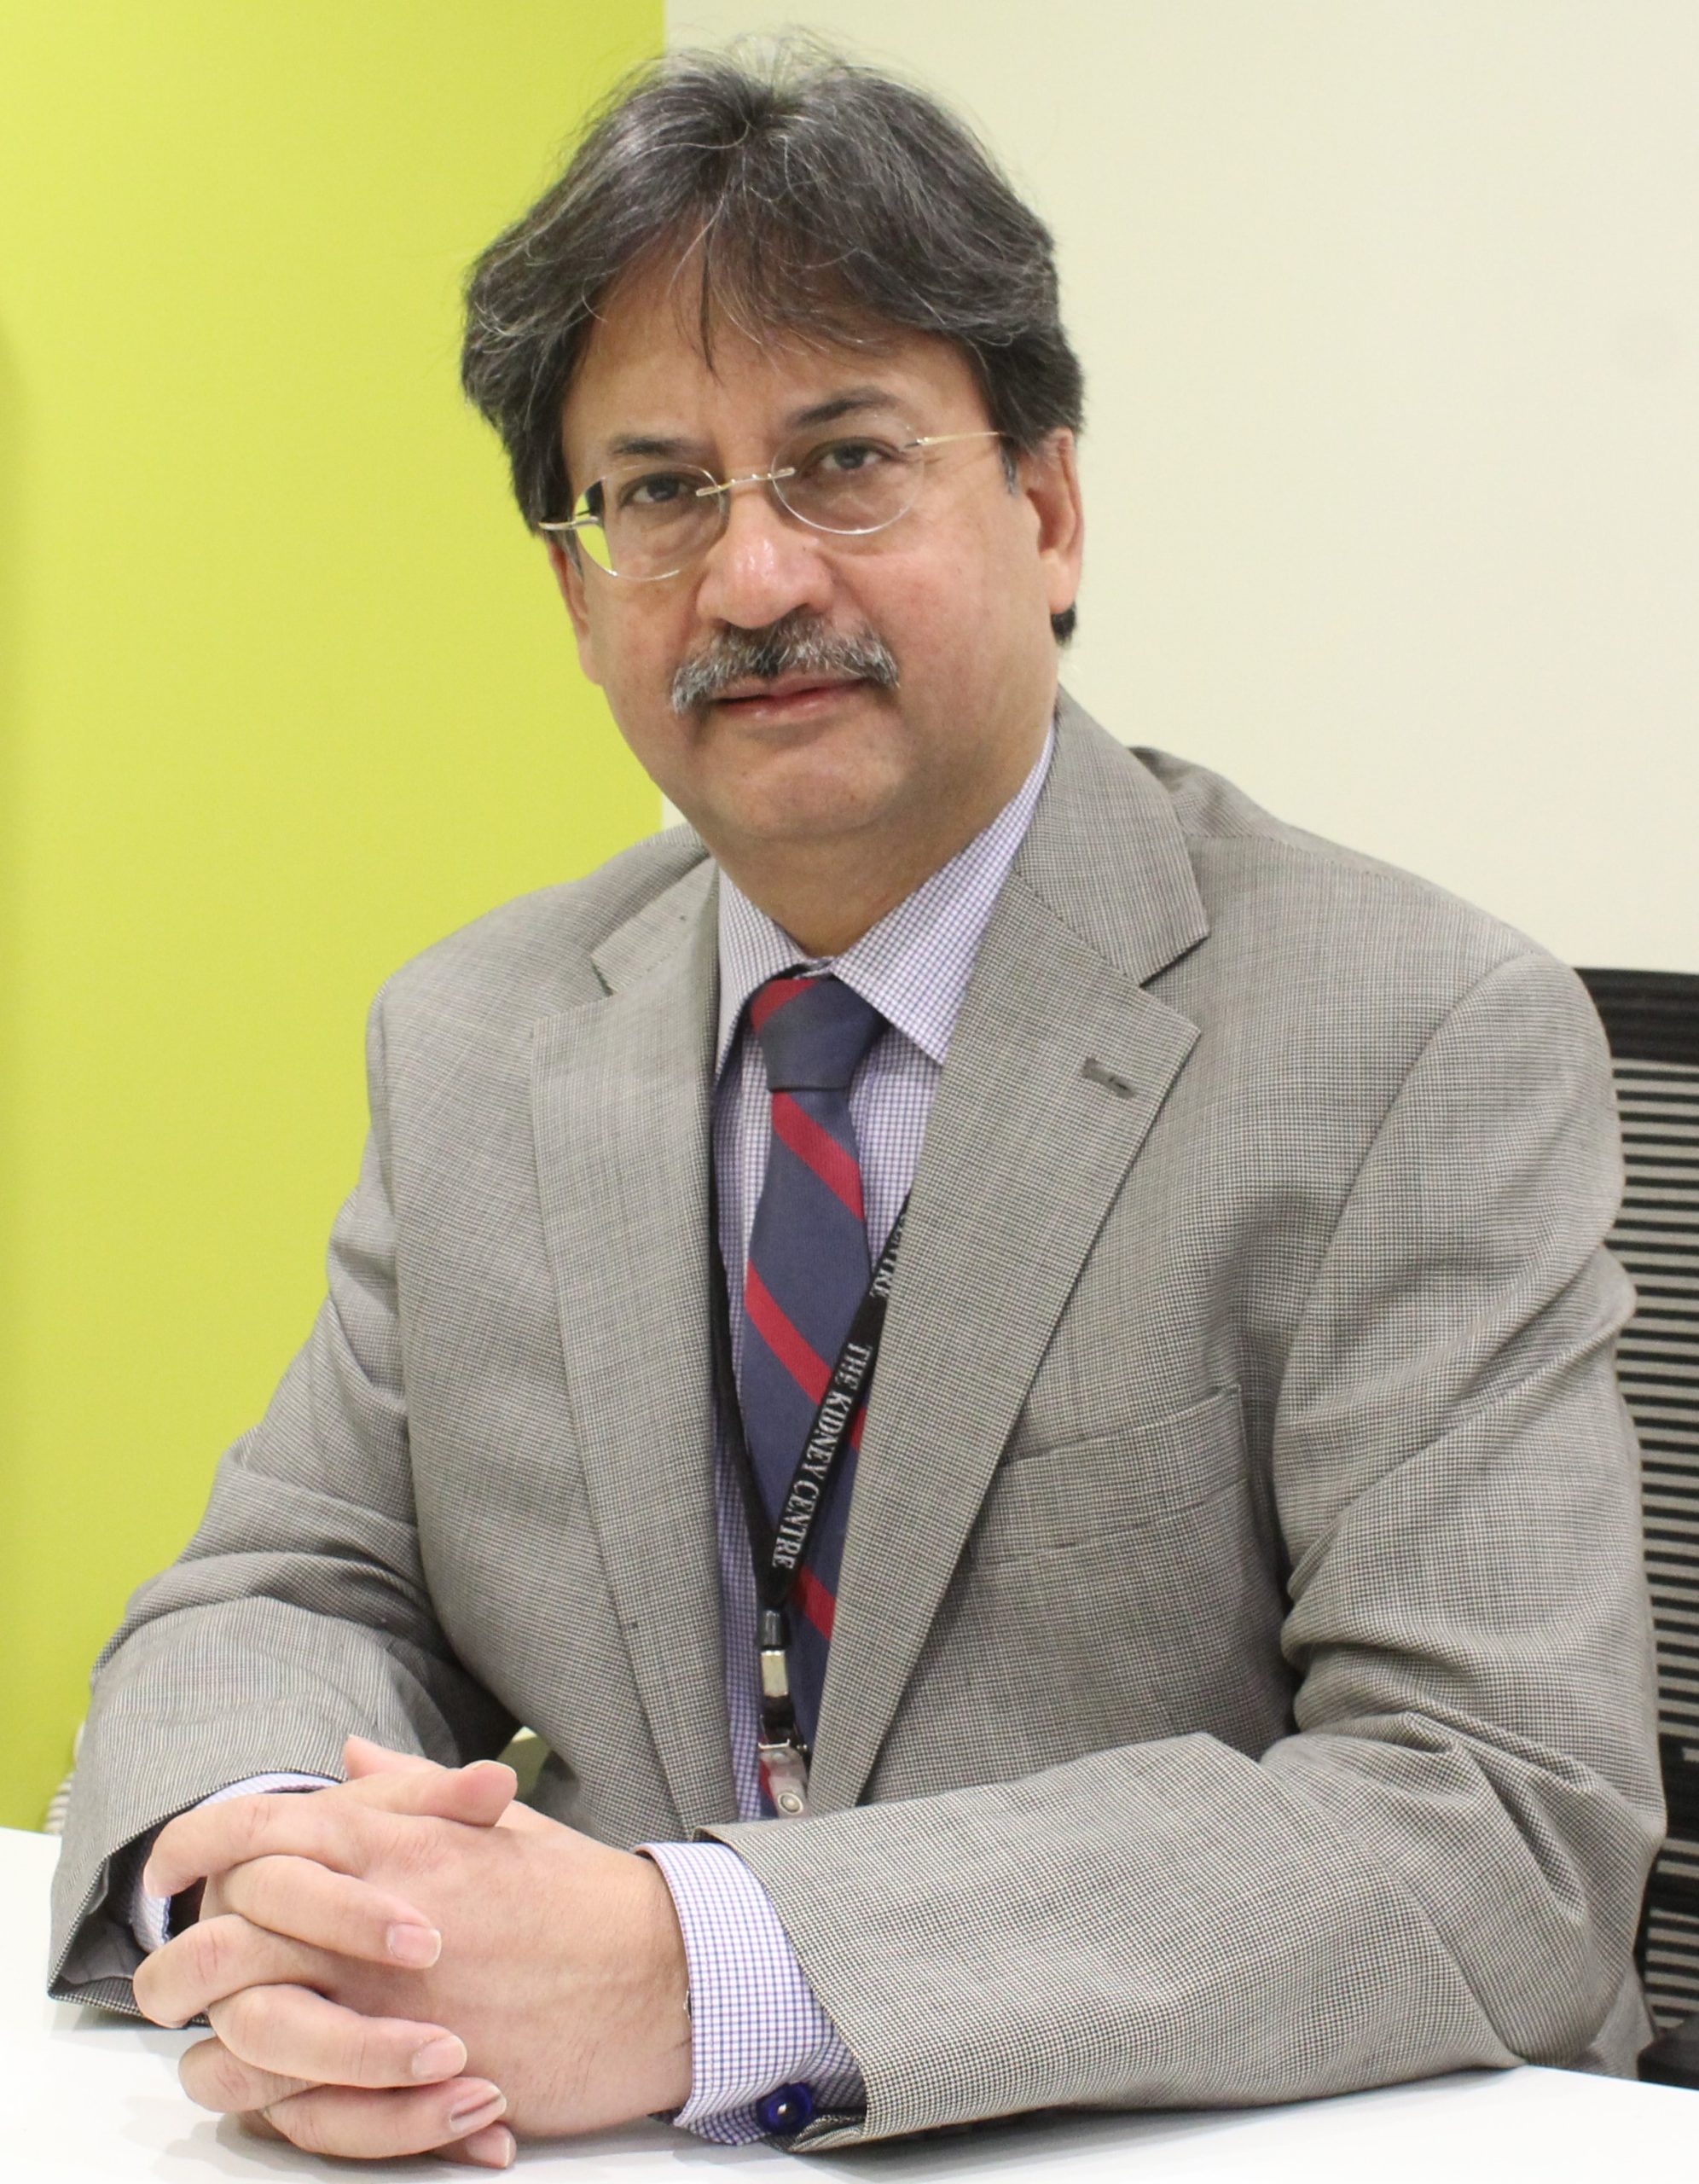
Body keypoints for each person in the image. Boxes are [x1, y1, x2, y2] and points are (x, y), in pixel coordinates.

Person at [49, 43, 1662, 2174]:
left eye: (843, 463)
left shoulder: (1408, 1033)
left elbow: (1505, 1817)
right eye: (659, 493)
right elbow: (284, 1585)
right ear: (577, 589)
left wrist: (692, 1963)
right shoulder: (479, 1037)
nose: (752, 583)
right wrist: (287, 1876)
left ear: (1048, 508)